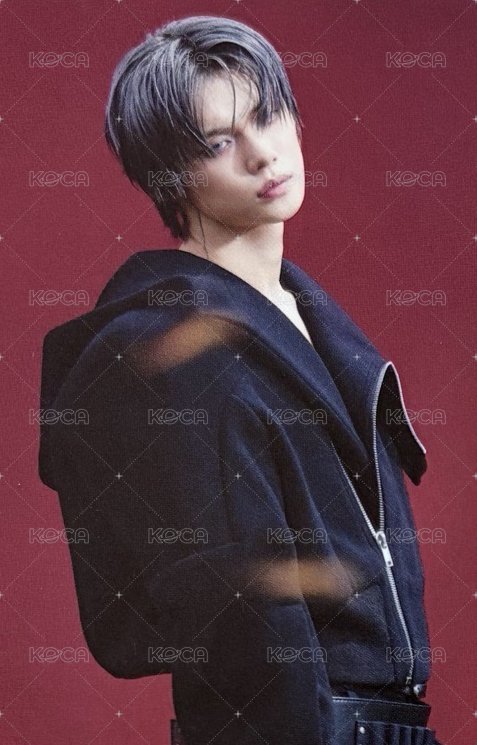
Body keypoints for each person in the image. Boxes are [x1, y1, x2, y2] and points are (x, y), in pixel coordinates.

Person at [38, 15, 443, 745]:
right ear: (169, 176)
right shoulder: (179, 355)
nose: (263, 153)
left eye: (268, 114)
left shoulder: (307, 320)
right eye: (219, 143)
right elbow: (243, 619)